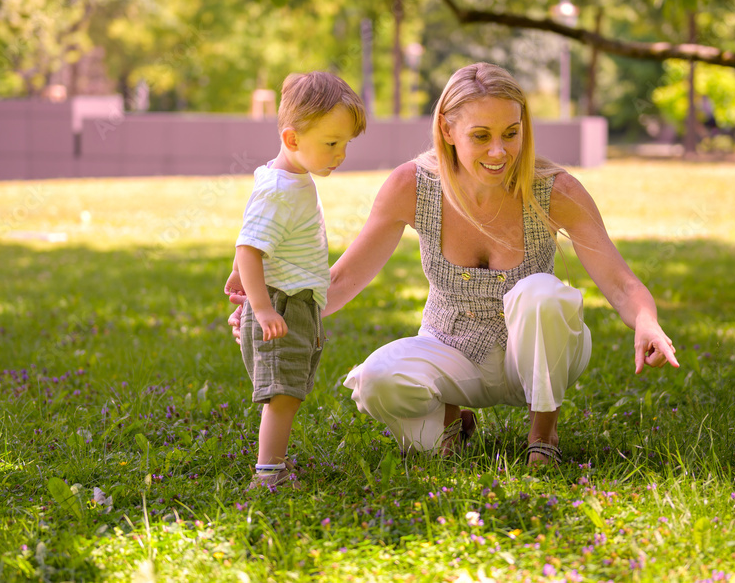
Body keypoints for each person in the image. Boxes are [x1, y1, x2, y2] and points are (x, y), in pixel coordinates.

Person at [229, 62, 677, 465]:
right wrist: (269, 306)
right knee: (376, 380)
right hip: (451, 349)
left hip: (537, 355)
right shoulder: (413, 185)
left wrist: (647, 321)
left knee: (540, 293)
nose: (499, 151)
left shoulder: (555, 190)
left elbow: (619, 282)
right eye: (481, 136)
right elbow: (343, 279)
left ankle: (543, 434)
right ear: (447, 130)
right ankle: (451, 422)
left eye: (511, 133)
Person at [225, 71, 366, 488]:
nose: (340, 154)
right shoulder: (279, 189)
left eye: (345, 144)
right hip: (282, 304)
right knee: (282, 394)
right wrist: (263, 308)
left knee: (290, 390)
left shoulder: (290, 177)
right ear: (292, 140)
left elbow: (257, 243)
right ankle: (268, 474)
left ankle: (276, 466)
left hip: (295, 302)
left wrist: (240, 279)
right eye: (331, 143)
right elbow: (248, 249)